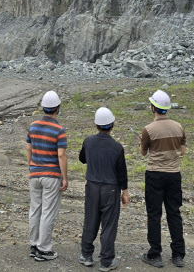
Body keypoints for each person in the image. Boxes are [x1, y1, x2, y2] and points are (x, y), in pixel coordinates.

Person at [139, 89, 186, 268]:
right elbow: (182, 152)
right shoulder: (179, 127)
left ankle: (155, 254)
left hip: (155, 175)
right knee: (174, 213)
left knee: (154, 214)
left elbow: (143, 152)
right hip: (174, 175)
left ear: (153, 108)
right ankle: (178, 254)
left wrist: (143, 144)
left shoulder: (148, 130)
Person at [78, 107, 129, 271]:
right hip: (111, 189)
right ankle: (106, 261)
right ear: (112, 124)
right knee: (109, 224)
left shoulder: (88, 142)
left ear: (96, 124)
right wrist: (125, 191)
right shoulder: (117, 147)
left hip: (92, 186)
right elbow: (122, 173)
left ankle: (86, 255)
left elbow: (82, 159)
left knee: (90, 220)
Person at [26, 90, 68, 261]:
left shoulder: (33, 126)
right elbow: (61, 155)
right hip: (51, 175)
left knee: (35, 210)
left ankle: (34, 245)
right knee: (48, 212)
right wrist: (64, 177)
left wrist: (31, 166)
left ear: (43, 107)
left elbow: (28, 149)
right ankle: (44, 250)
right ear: (57, 108)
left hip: (34, 173)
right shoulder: (59, 130)